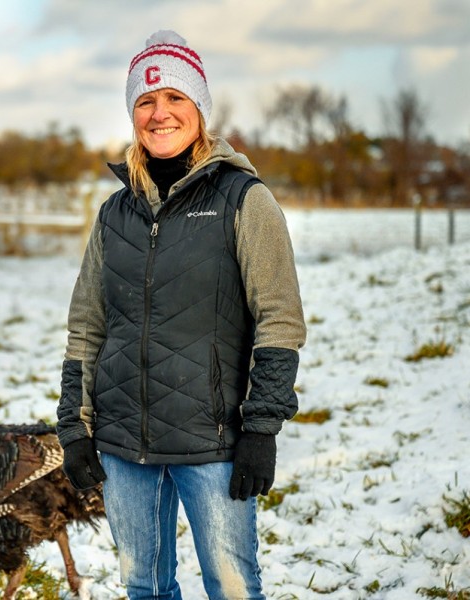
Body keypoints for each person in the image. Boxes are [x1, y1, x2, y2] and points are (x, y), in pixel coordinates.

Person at [56, 30, 306, 600]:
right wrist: (75, 424)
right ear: (131, 114)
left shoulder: (246, 200)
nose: (159, 113)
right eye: (145, 101)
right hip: (124, 445)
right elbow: (87, 326)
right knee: (143, 587)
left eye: (175, 98)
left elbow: (280, 321)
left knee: (232, 586)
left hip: (215, 440)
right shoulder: (113, 213)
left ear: (199, 109)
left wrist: (261, 429)